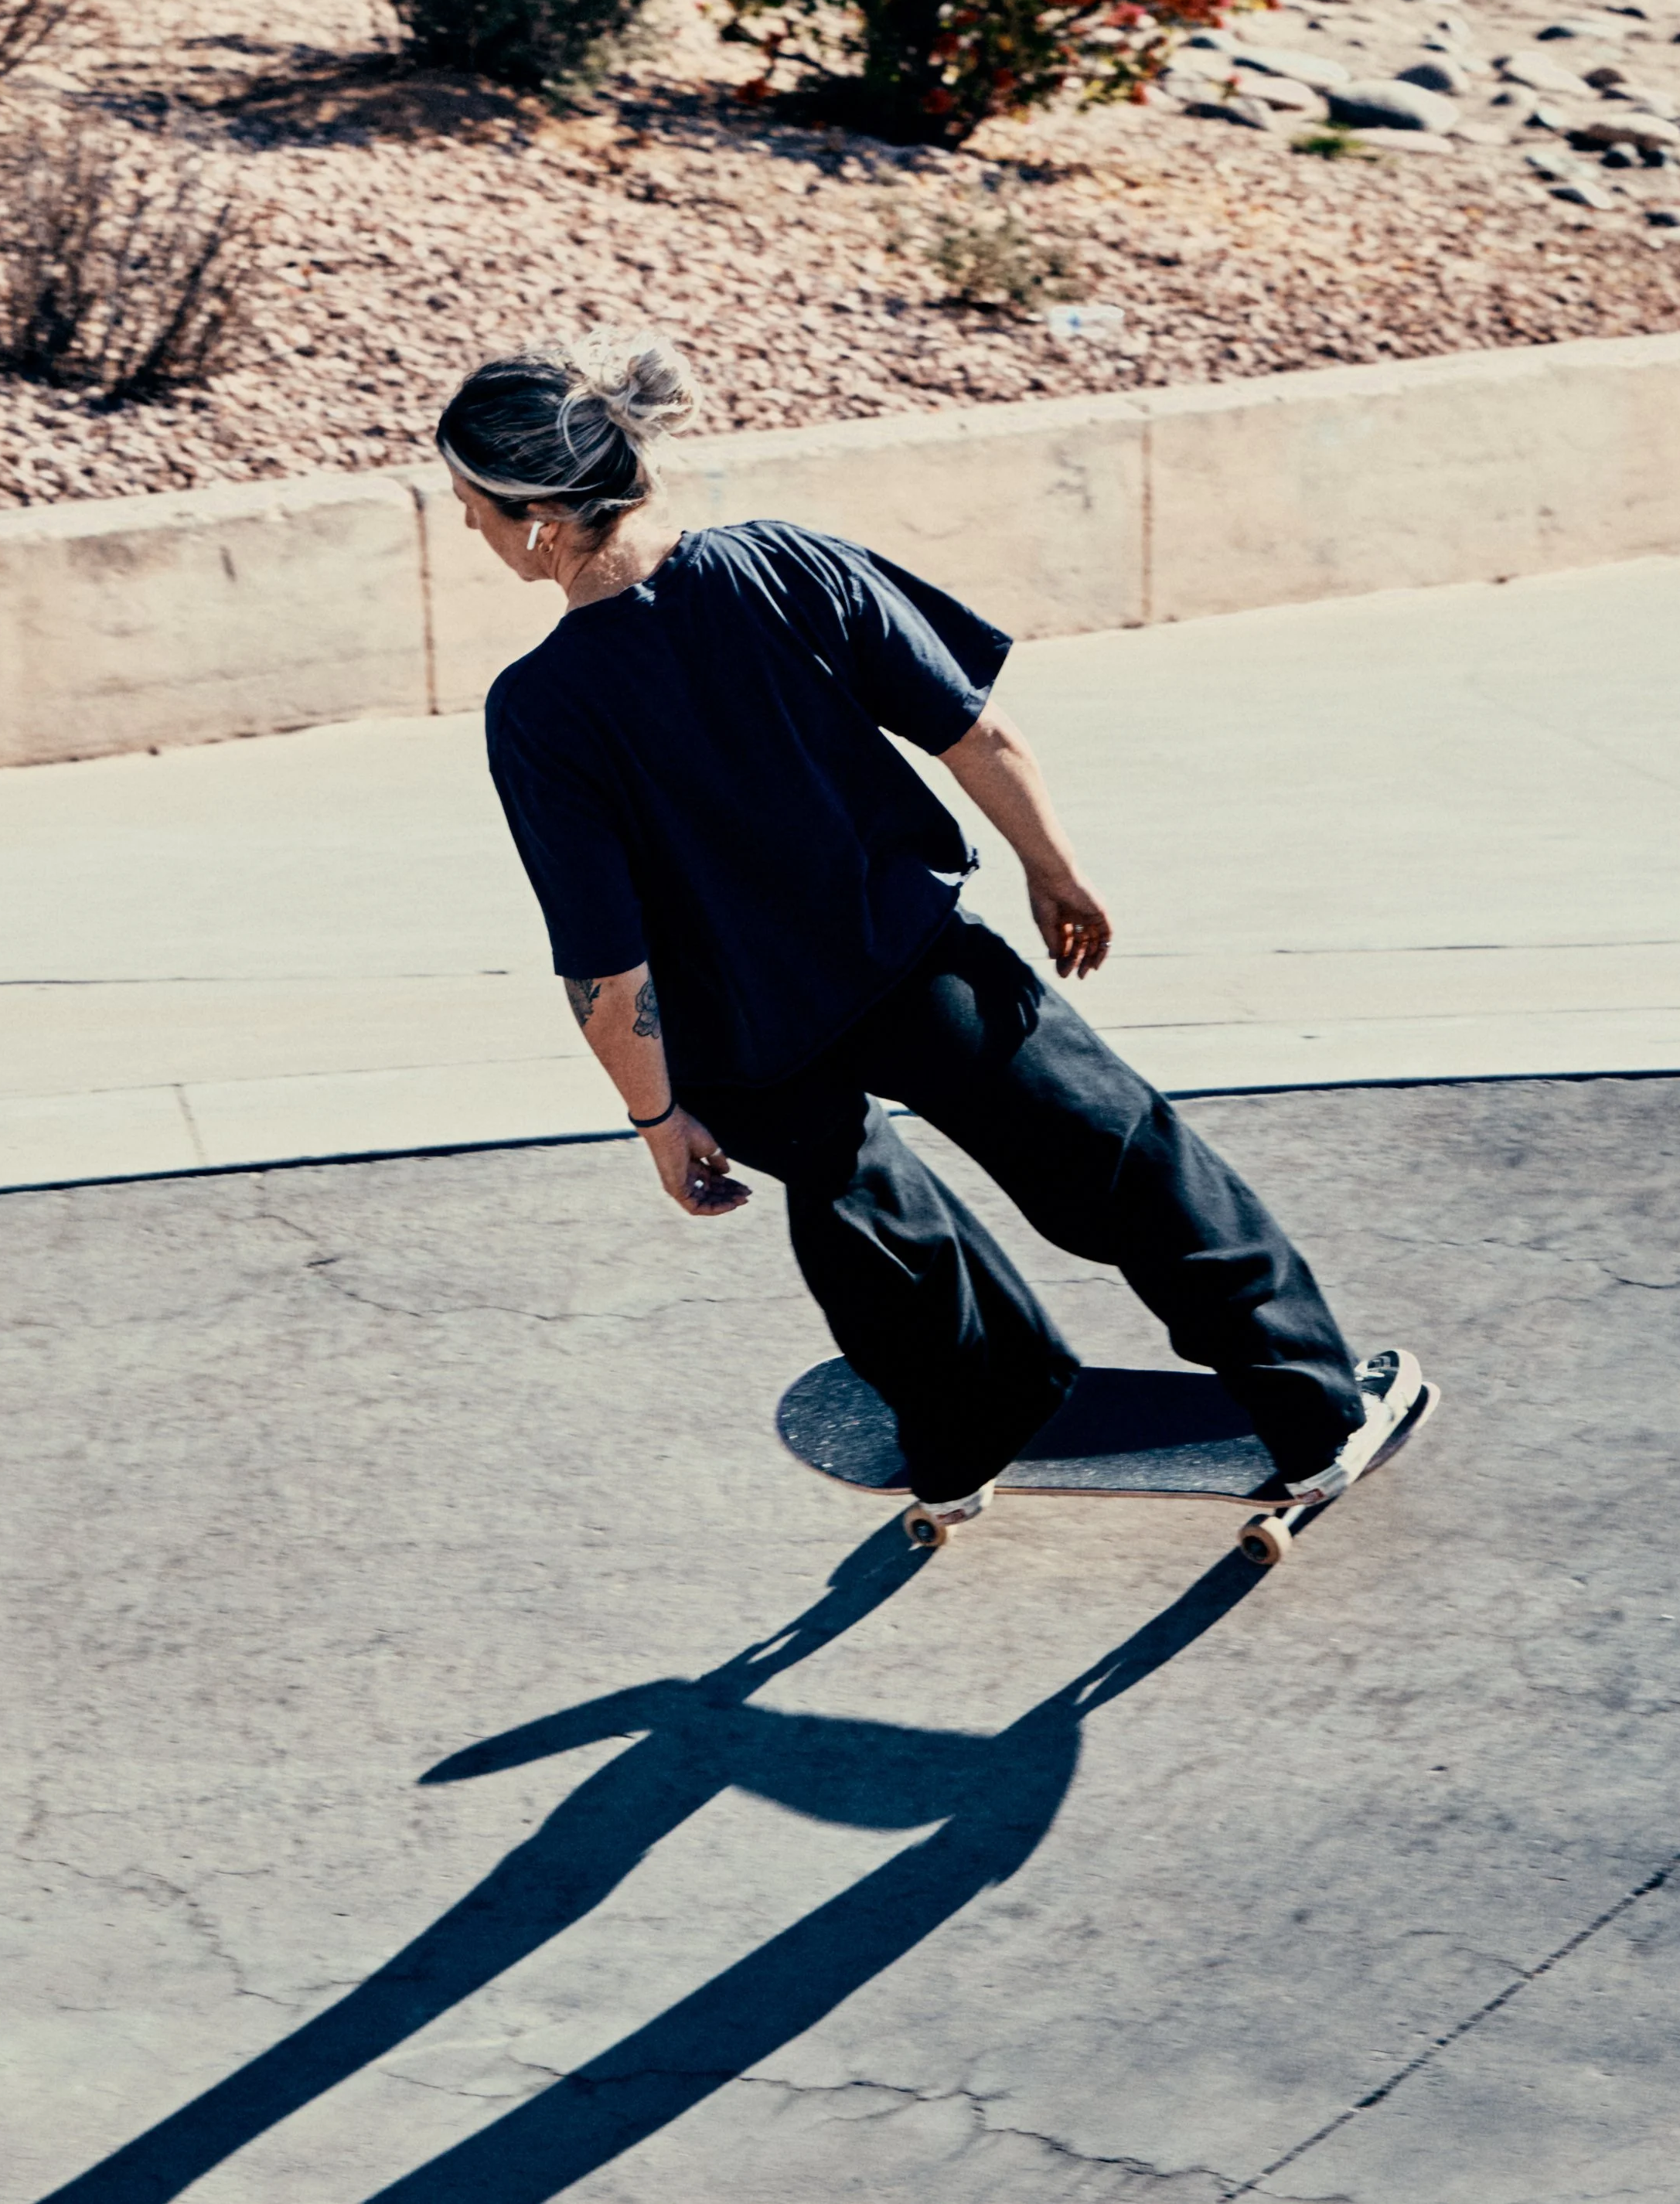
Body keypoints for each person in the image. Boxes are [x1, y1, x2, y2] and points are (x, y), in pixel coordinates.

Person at [440, 330, 1422, 1528]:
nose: (468, 526)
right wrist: (1055, 872)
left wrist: (658, 1119)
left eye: (470, 503)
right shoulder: (785, 566)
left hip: (744, 1044)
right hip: (915, 968)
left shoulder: (538, 709)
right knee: (1127, 1164)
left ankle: (961, 1440)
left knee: (861, 1212)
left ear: (542, 517)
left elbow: (609, 968)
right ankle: (1316, 1416)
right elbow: (976, 732)